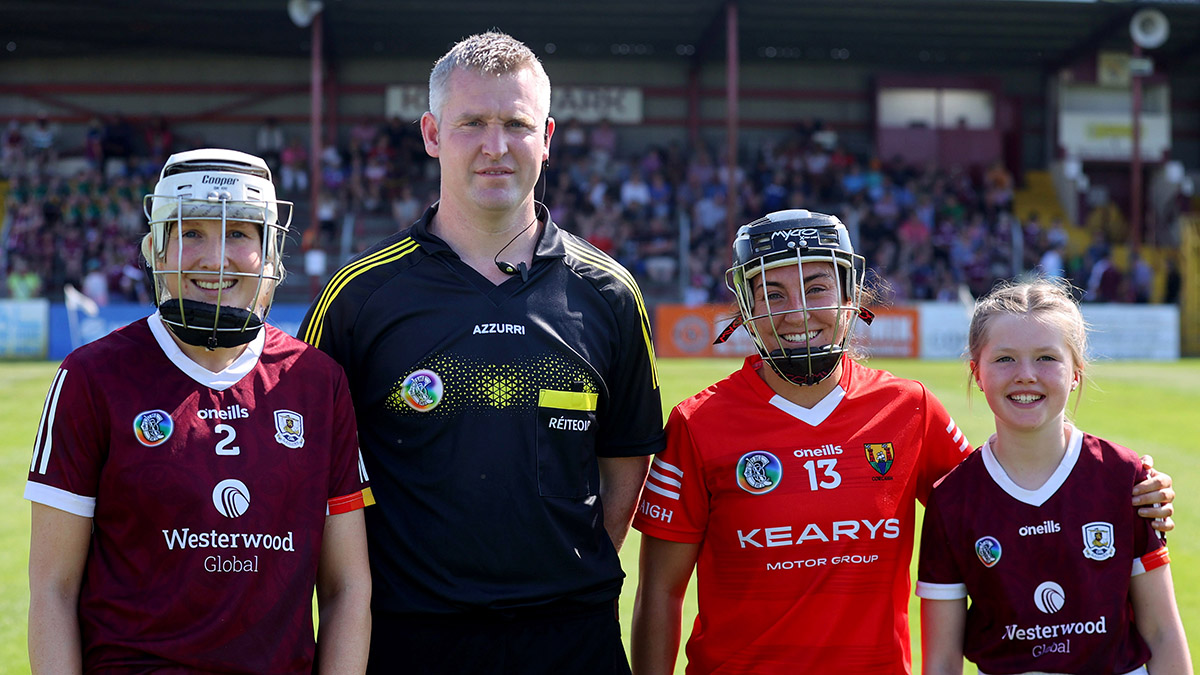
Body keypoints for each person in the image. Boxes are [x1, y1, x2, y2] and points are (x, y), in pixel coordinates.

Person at [629, 209, 1174, 675]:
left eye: (816, 287)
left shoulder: (909, 408)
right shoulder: (696, 423)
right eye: (771, 292)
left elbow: (1000, 504)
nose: (796, 311)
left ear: (851, 296)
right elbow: (661, 592)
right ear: (746, 307)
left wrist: (1131, 493)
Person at [299, 31, 664, 675]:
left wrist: (557, 584)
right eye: (473, 123)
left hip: (572, 638)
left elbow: (625, 466)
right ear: (433, 134)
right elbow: (312, 476)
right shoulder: (360, 296)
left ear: (546, 136)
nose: (496, 146)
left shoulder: (608, 292)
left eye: (516, 124)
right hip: (409, 638)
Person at [26, 148, 373, 674]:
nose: (215, 258)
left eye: (238, 234)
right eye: (192, 233)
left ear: (270, 253)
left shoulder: (318, 383)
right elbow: (53, 589)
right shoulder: (90, 377)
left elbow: (347, 588)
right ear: (155, 247)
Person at [917, 279, 1190, 675]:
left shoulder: (1126, 478)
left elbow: (1162, 632)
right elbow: (941, 660)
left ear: (1076, 372)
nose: (1026, 374)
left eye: (1047, 357)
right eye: (1005, 359)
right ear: (977, 373)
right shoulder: (952, 499)